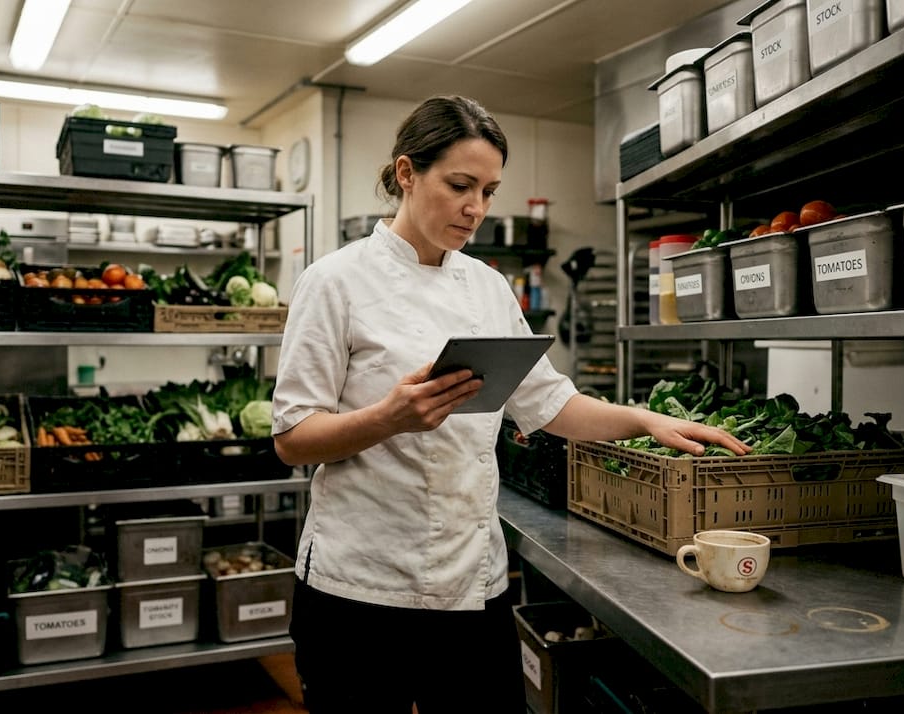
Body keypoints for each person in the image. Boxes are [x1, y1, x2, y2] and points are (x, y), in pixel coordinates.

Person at [271, 95, 750, 713]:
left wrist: (646, 420)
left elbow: (549, 404)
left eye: (490, 191)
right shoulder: (334, 281)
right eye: (460, 185)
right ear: (407, 173)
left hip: (473, 583)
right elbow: (292, 437)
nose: (476, 209)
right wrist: (388, 418)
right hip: (362, 587)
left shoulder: (488, 286)